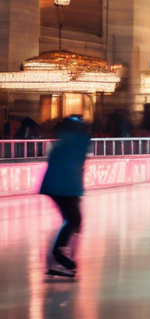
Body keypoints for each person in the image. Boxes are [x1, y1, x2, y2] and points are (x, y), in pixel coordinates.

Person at [39, 117, 90, 279]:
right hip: (65, 187)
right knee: (74, 221)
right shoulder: (79, 141)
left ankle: (58, 258)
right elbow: (75, 163)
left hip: (57, 186)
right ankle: (59, 257)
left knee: (72, 221)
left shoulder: (62, 141)